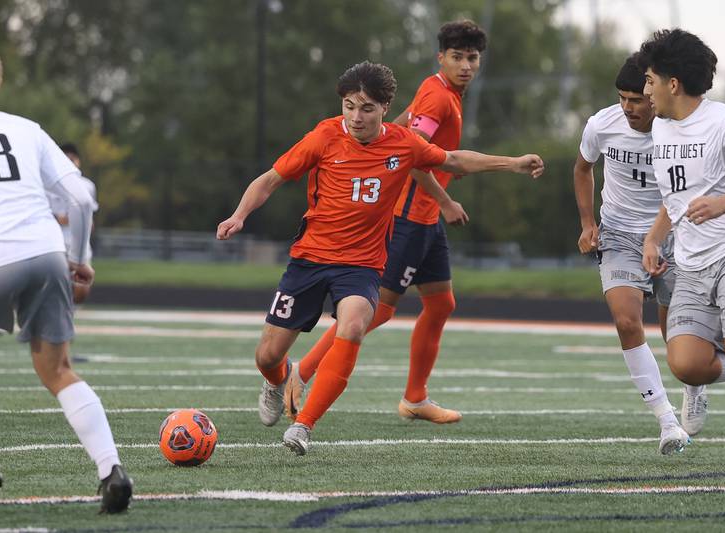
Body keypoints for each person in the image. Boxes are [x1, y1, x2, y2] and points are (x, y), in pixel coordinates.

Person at [217, 60, 543, 456]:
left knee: (353, 325)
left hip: (361, 266)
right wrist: (239, 215)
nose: (356, 116)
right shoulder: (322, 137)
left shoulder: (403, 143)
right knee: (267, 355)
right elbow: (270, 179)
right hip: (309, 261)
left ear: (386, 107)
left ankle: (304, 426)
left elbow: (453, 160)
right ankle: (277, 379)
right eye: (350, 106)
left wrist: (512, 163)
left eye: (366, 108)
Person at [0, 43, 131, 512]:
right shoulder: (25, 128)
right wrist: (80, 256)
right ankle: (111, 469)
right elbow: (82, 197)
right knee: (57, 369)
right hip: (47, 253)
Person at [285, 20, 488, 425]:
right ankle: (300, 373)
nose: (465, 65)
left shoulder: (445, 93)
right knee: (377, 311)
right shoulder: (437, 96)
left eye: (472, 57)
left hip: (427, 219)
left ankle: (415, 397)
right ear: (441, 58)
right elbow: (409, 158)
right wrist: (446, 199)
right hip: (410, 217)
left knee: (441, 302)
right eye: (457, 57)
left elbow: (403, 136)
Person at [574, 53, 691, 454]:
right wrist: (589, 224)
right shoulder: (601, 125)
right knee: (626, 321)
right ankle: (667, 423)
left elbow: (681, 193)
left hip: (673, 235)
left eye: (637, 99)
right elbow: (583, 168)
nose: (628, 108)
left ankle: (693, 388)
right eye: (622, 98)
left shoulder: (677, 131)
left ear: (655, 93)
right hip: (620, 236)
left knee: (681, 340)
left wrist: (655, 239)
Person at [640, 29, 725, 432]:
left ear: (673, 83)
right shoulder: (661, 128)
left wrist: (722, 203)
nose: (645, 89)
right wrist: (653, 238)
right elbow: (675, 199)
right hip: (689, 262)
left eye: (650, 80)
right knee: (685, 364)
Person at [47, 142, 99, 304]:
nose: (70, 162)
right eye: (66, 158)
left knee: (81, 289)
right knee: (54, 286)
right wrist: (58, 219)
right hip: (55, 241)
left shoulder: (87, 185)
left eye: (73, 158)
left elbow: (88, 211)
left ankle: (69, 313)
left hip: (78, 241)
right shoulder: (47, 184)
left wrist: (87, 224)